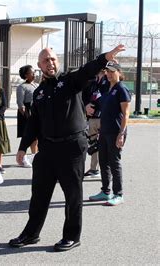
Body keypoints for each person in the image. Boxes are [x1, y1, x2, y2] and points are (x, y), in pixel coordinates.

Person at [9, 44, 125, 252]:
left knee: (72, 195)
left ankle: (72, 236)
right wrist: (22, 147)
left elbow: (86, 71)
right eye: (45, 60)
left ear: (58, 62)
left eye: (53, 59)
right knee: (39, 196)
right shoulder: (40, 92)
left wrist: (104, 58)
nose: (50, 63)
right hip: (46, 150)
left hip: (71, 148)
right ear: (39, 65)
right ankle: (31, 233)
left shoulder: (70, 81)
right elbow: (34, 122)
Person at [88, 62, 130, 206]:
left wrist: (121, 133)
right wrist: (89, 106)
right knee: (103, 161)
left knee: (114, 163)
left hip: (115, 132)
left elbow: (126, 113)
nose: (110, 74)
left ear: (119, 72)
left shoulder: (122, 89)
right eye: (108, 71)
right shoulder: (107, 88)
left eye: (112, 71)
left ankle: (118, 194)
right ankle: (105, 192)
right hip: (104, 131)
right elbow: (98, 104)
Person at [83, 69, 110, 178]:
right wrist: (86, 106)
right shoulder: (92, 82)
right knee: (93, 145)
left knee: (105, 145)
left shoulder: (108, 81)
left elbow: (108, 99)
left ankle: (107, 172)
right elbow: (84, 96)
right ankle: (94, 169)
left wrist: (98, 108)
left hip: (103, 118)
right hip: (92, 118)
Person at [16, 65, 39, 167]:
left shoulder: (37, 85)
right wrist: (27, 116)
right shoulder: (21, 87)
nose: (34, 74)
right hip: (27, 113)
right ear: (26, 75)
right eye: (32, 73)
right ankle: (23, 157)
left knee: (36, 137)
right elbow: (20, 104)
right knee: (27, 136)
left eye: (34, 72)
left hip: (37, 112)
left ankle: (35, 156)